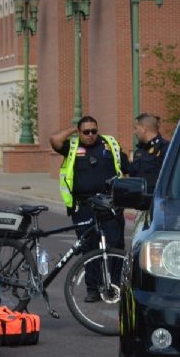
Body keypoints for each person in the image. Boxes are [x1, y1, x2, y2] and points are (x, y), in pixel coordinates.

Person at [49, 116, 124, 302]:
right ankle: (93, 288)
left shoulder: (109, 144)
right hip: (84, 207)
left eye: (93, 131)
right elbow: (55, 140)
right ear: (79, 132)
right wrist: (73, 130)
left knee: (115, 245)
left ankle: (115, 286)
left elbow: (125, 166)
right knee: (89, 249)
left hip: (110, 204)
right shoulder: (72, 147)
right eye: (86, 132)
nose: (91, 135)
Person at [127, 113, 169, 193]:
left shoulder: (166, 149)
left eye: (136, 128)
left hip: (157, 202)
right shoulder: (138, 152)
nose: (134, 132)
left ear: (144, 128)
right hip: (140, 203)